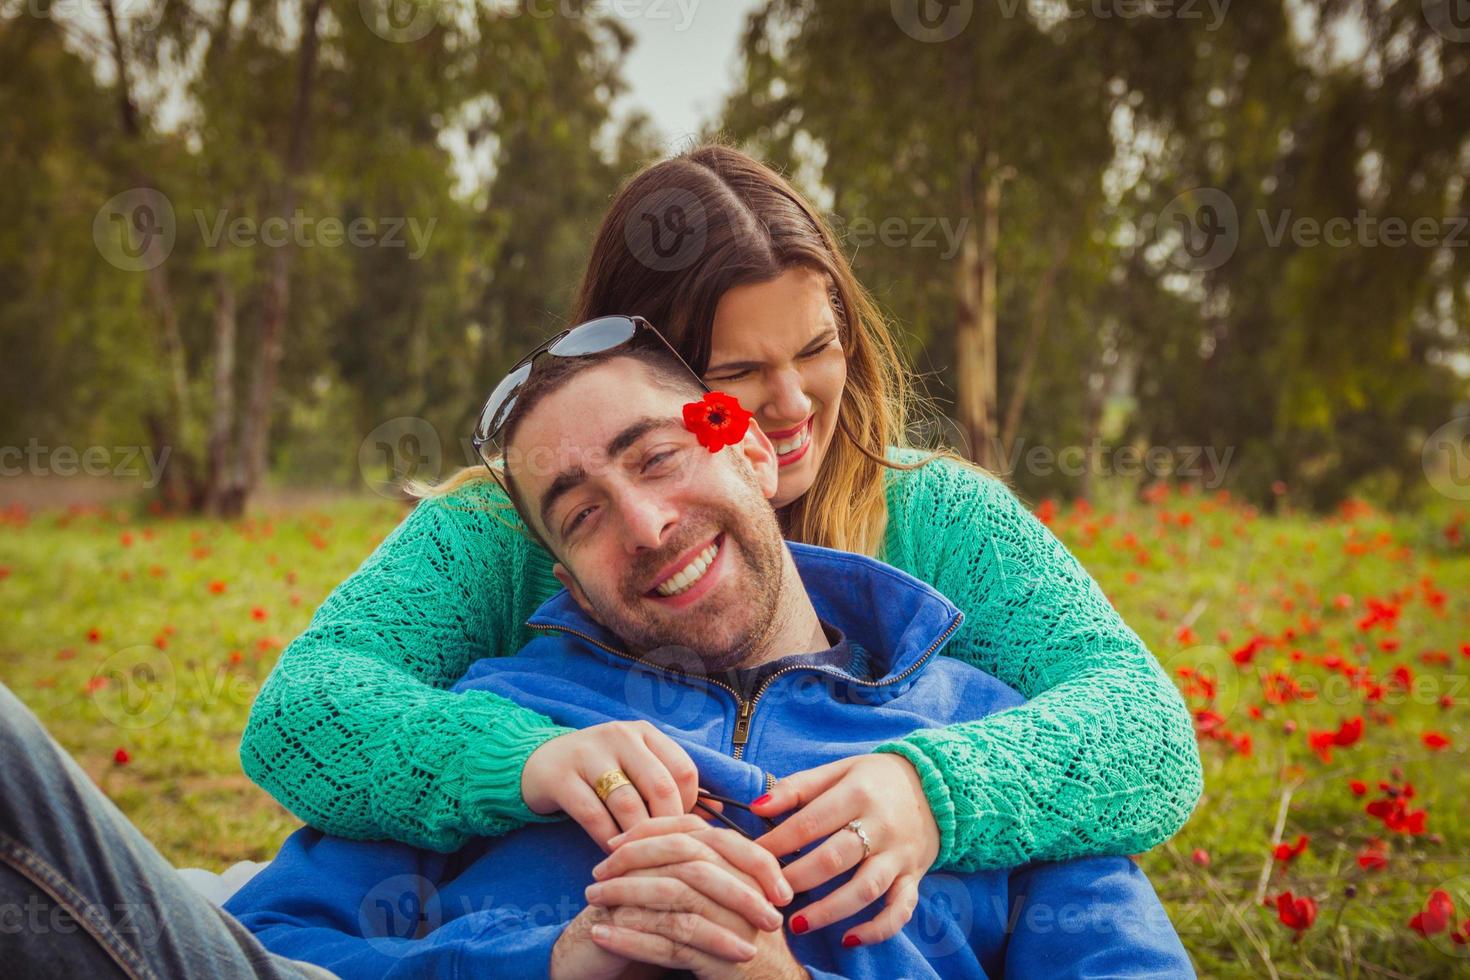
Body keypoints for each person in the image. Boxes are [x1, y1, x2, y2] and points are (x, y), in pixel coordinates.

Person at [239, 144, 1203, 944]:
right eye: (738, 372)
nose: (791, 409)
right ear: (638, 369)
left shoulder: (936, 514)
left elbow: (1143, 727)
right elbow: (305, 713)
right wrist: (530, 762)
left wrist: (932, 789)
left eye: (818, 348)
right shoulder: (495, 530)